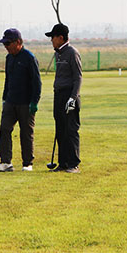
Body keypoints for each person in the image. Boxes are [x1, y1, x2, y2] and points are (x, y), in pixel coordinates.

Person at [0, 28, 41, 172]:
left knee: (26, 133)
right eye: (4, 44)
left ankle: (27, 163)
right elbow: (8, 80)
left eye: (8, 44)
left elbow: (37, 83)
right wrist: (4, 98)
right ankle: (6, 162)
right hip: (10, 102)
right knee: (4, 130)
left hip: (26, 103)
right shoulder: (9, 58)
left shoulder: (29, 58)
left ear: (18, 42)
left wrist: (34, 102)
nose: (6, 47)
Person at [45, 23, 82, 173]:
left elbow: (78, 78)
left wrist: (73, 98)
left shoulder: (72, 52)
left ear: (61, 37)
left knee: (71, 130)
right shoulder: (58, 53)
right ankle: (63, 163)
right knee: (60, 129)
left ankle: (73, 164)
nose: (51, 40)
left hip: (70, 95)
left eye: (52, 37)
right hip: (59, 95)